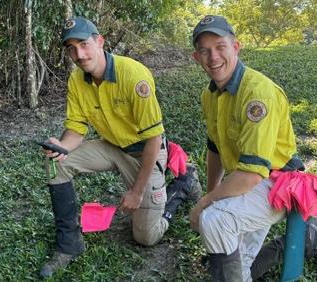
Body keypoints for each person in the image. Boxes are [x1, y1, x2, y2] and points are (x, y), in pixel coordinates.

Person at [38, 16, 201, 278]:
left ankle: (181, 186)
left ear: (100, 41)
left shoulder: (133, 75)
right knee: (58, 163)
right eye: (71, 48)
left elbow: (153, 138)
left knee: (146, 237)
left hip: (145, 152)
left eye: (84, 44)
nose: (79, 54)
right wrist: (62, 146)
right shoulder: (77, 80)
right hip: (112, 147)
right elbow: (76, 129)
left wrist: (137, 192)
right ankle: (69, 245)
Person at [188, 15, 317, 281]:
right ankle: (308, 238)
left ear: (236, 47)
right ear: (196, 57)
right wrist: (214, 192)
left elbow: (252, 175)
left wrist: (205, 203)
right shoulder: (209, 94)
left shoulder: (258, 93)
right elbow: (215, 147)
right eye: (205, 50)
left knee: (214, 221)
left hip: (277, 182)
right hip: (246, 180)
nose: (213, 57)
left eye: (220, 46)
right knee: (236, 263)